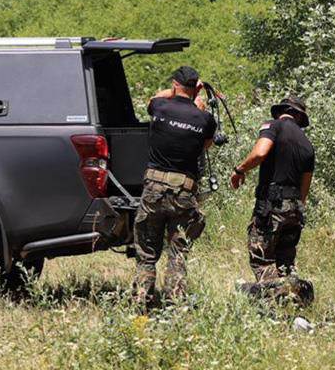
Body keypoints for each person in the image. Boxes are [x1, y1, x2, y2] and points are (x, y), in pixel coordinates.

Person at [133, 65, 217, 311]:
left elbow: (153, 99)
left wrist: (174, 92)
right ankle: (175, 307)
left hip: (154, 190)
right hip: (184, 193)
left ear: (174, 85)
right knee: (178, 253)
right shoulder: (205, 119)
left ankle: (141, 303)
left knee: (147, 253)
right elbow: (205, 146)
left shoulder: (160, 107)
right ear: (196, 88)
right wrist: (197, 101)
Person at [230, 95, 315, 295]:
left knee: (262, 257)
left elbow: (260, 153)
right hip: (294, 208)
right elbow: (305, 188)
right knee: (286, 262)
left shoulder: (273, 126)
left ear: (280, 111)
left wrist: (240, 170)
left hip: (272, 205)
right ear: (300, 118)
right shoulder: (307, 144)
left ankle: (272, 302)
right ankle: (294, 301)